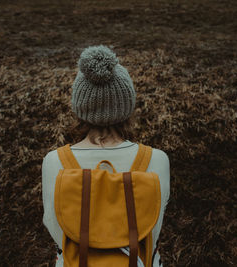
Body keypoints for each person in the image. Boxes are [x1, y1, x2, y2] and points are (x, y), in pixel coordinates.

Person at [41, 44, 170, 266]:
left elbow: (55, 230)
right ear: (126, 104)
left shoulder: (54, 162)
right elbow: (154, 231)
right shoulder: (157, 159)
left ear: (80, 106)